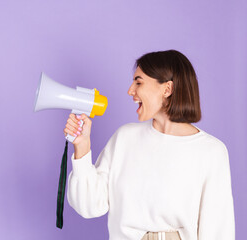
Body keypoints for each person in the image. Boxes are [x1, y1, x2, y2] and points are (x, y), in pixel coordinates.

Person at [63, 50, 235, 240]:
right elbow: (89, 205)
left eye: (138, 82)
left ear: (167, 89)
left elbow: (218, 229)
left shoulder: (211, 151)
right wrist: (82, 146)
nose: (130, 90)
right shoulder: (124, 138)